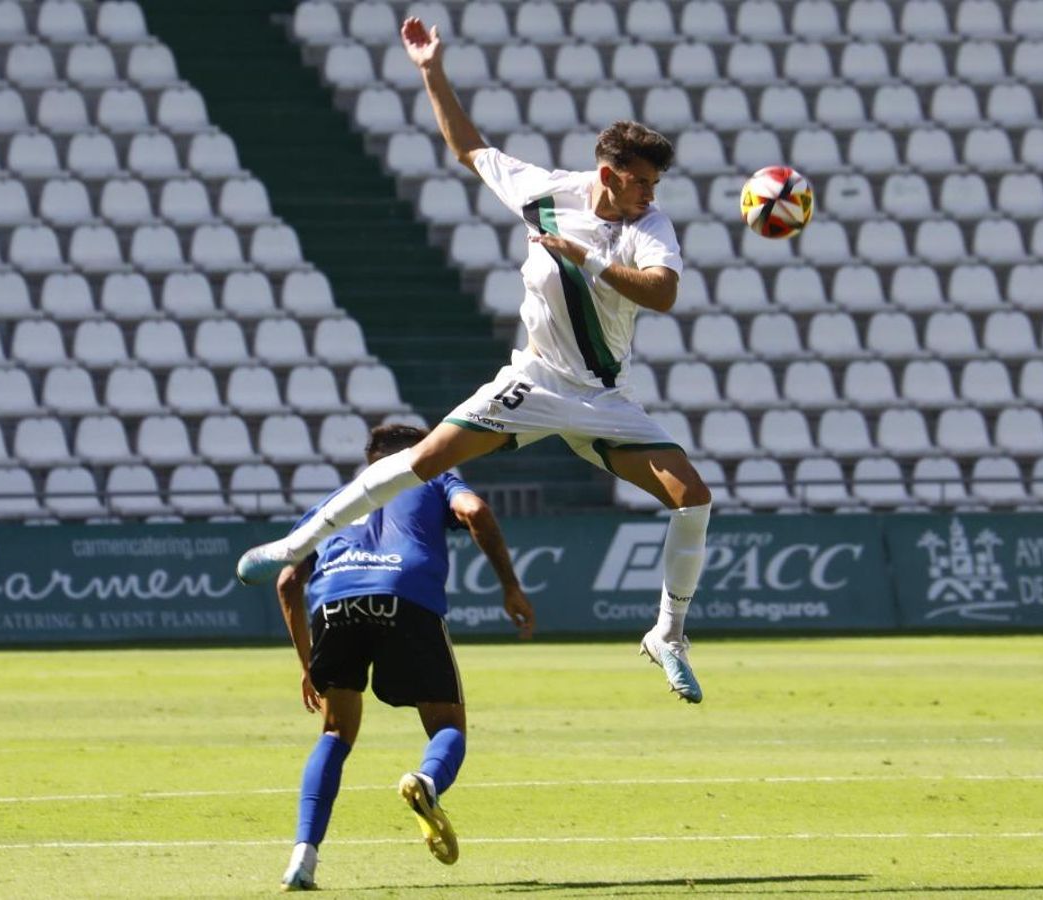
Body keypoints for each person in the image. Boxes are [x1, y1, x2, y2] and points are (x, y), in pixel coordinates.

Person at [239, 17, 713, 705]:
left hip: (605, 399)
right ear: (608, 174)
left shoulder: (648, 228)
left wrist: (589, 258)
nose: (651, 195)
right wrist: (431, 69)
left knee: (692, 497)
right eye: (641, 183)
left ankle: (667, 635)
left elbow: (663, 294)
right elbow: (469, 148)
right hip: (535, 380)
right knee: (424, 460)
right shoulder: (547, 194)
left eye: (656, 184)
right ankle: (293, 545)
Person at [273, 423, 535, 891]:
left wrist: (307, 664)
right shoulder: (432, 476)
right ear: (421, 452)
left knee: (334, 733)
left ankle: (301, 859)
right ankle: (427, 782)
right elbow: (474, 510)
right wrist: (510, 587)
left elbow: (288, 583)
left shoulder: (339, 498)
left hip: (334, 600)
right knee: (447, 725)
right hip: (405, 593)